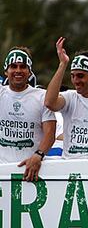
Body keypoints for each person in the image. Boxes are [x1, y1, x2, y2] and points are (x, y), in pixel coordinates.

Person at [0, 47, 56, 181]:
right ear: (6, 71)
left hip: (32, 169)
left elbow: (50, 133)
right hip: (2, 169)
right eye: (13, 66)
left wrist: (38, 155)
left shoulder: (42, 96)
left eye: (23, 67)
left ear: (29, 71)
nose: (18, 71)